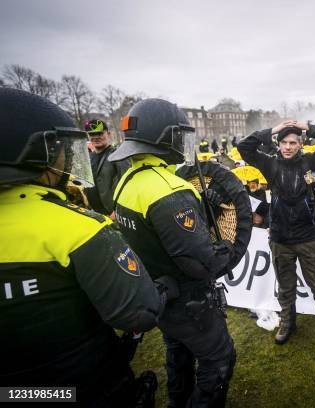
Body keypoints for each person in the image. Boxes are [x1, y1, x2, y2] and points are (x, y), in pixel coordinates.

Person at [0, 88, 165, 407]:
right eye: (62, 149)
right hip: (81, 387)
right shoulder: (79, 229)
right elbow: (141, 313)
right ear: (37, 154)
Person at [108, 98, 236, 407]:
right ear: (165, 138)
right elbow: (199, 262)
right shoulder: (169, 190)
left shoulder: (127, 180)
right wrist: (226, 249)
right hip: (191, 300)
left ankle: (177, 400)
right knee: (219, 359)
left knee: (177, 350)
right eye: (180, 136)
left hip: (160, 292)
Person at [238, 120, 315, 347]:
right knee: (285, 288)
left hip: (309, 238)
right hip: (280, 239)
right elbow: (244, 148)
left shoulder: (311, 162)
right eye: (284, 142)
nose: (287, 147)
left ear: (300, 143)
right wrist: (272, 130)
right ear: (278, 144)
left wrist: (308, 126)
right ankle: (288, 323)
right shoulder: (270, 164)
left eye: (293, 142)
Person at [82, 118, 130, 216]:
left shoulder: (118, 155)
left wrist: (118, 211)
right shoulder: (89, 158)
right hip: (96, 214)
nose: (96, 137)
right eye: (92, 134)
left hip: (114, 215)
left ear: (108, 134)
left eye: (100, 133)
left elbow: (128, 185)